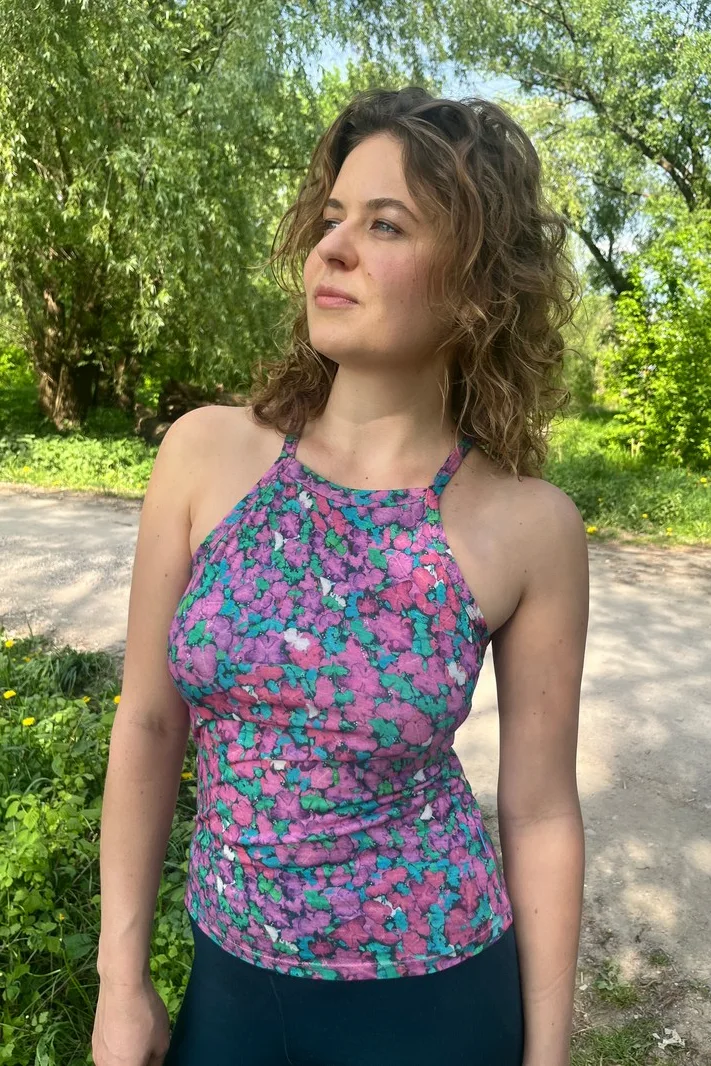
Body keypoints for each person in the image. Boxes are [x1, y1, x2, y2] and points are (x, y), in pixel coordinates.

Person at [92, 86, 588, 1066]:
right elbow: (148, 721)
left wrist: (550, 1057)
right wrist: (121, 980)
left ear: (477, 282)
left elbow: (539, 810)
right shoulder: (205, 455)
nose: (334, 249)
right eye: (331, 220)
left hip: (435, 1004)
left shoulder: (528, 526)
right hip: (230, 988)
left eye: (385, 224)